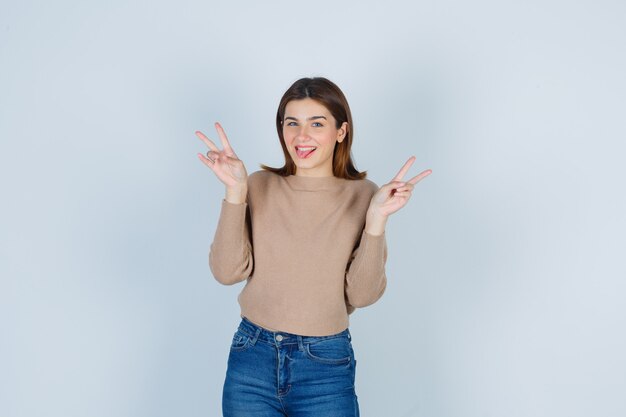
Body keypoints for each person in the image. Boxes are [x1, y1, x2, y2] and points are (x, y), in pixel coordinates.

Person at [196, 77, 431, 416]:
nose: (301, 136)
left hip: (324, 366)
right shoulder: (259, 186)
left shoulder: (364, 195)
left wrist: (377, 218)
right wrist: (235, 191)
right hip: (252, 357)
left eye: (316, 123)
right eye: (292, 123)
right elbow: (226, 271)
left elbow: (362, 295)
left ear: (341, 131)